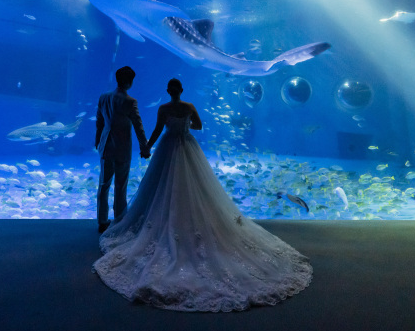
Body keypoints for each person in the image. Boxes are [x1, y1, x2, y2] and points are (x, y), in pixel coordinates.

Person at [93, 78, 312, 312]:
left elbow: (157, 129)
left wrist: (147, 146)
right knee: (195, 188)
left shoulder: (163, 108)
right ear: (182, 90)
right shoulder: (189, 107)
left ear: (168, 91)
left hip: (167, 147)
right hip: (187, 146)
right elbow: (198, 126)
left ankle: (130, 221)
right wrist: (184, 125)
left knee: (160, 188)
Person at [95, 66, 150, 234]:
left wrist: (98, 141)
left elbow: (99, 122)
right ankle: (119, 221)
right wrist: (144, 147)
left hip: (105, 147)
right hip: (122, 149)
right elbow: (138, 127)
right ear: (130, 82)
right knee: (121, 185)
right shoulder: (130, 101)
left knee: (103, 185)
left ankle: (102, 221)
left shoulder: (103, 97)